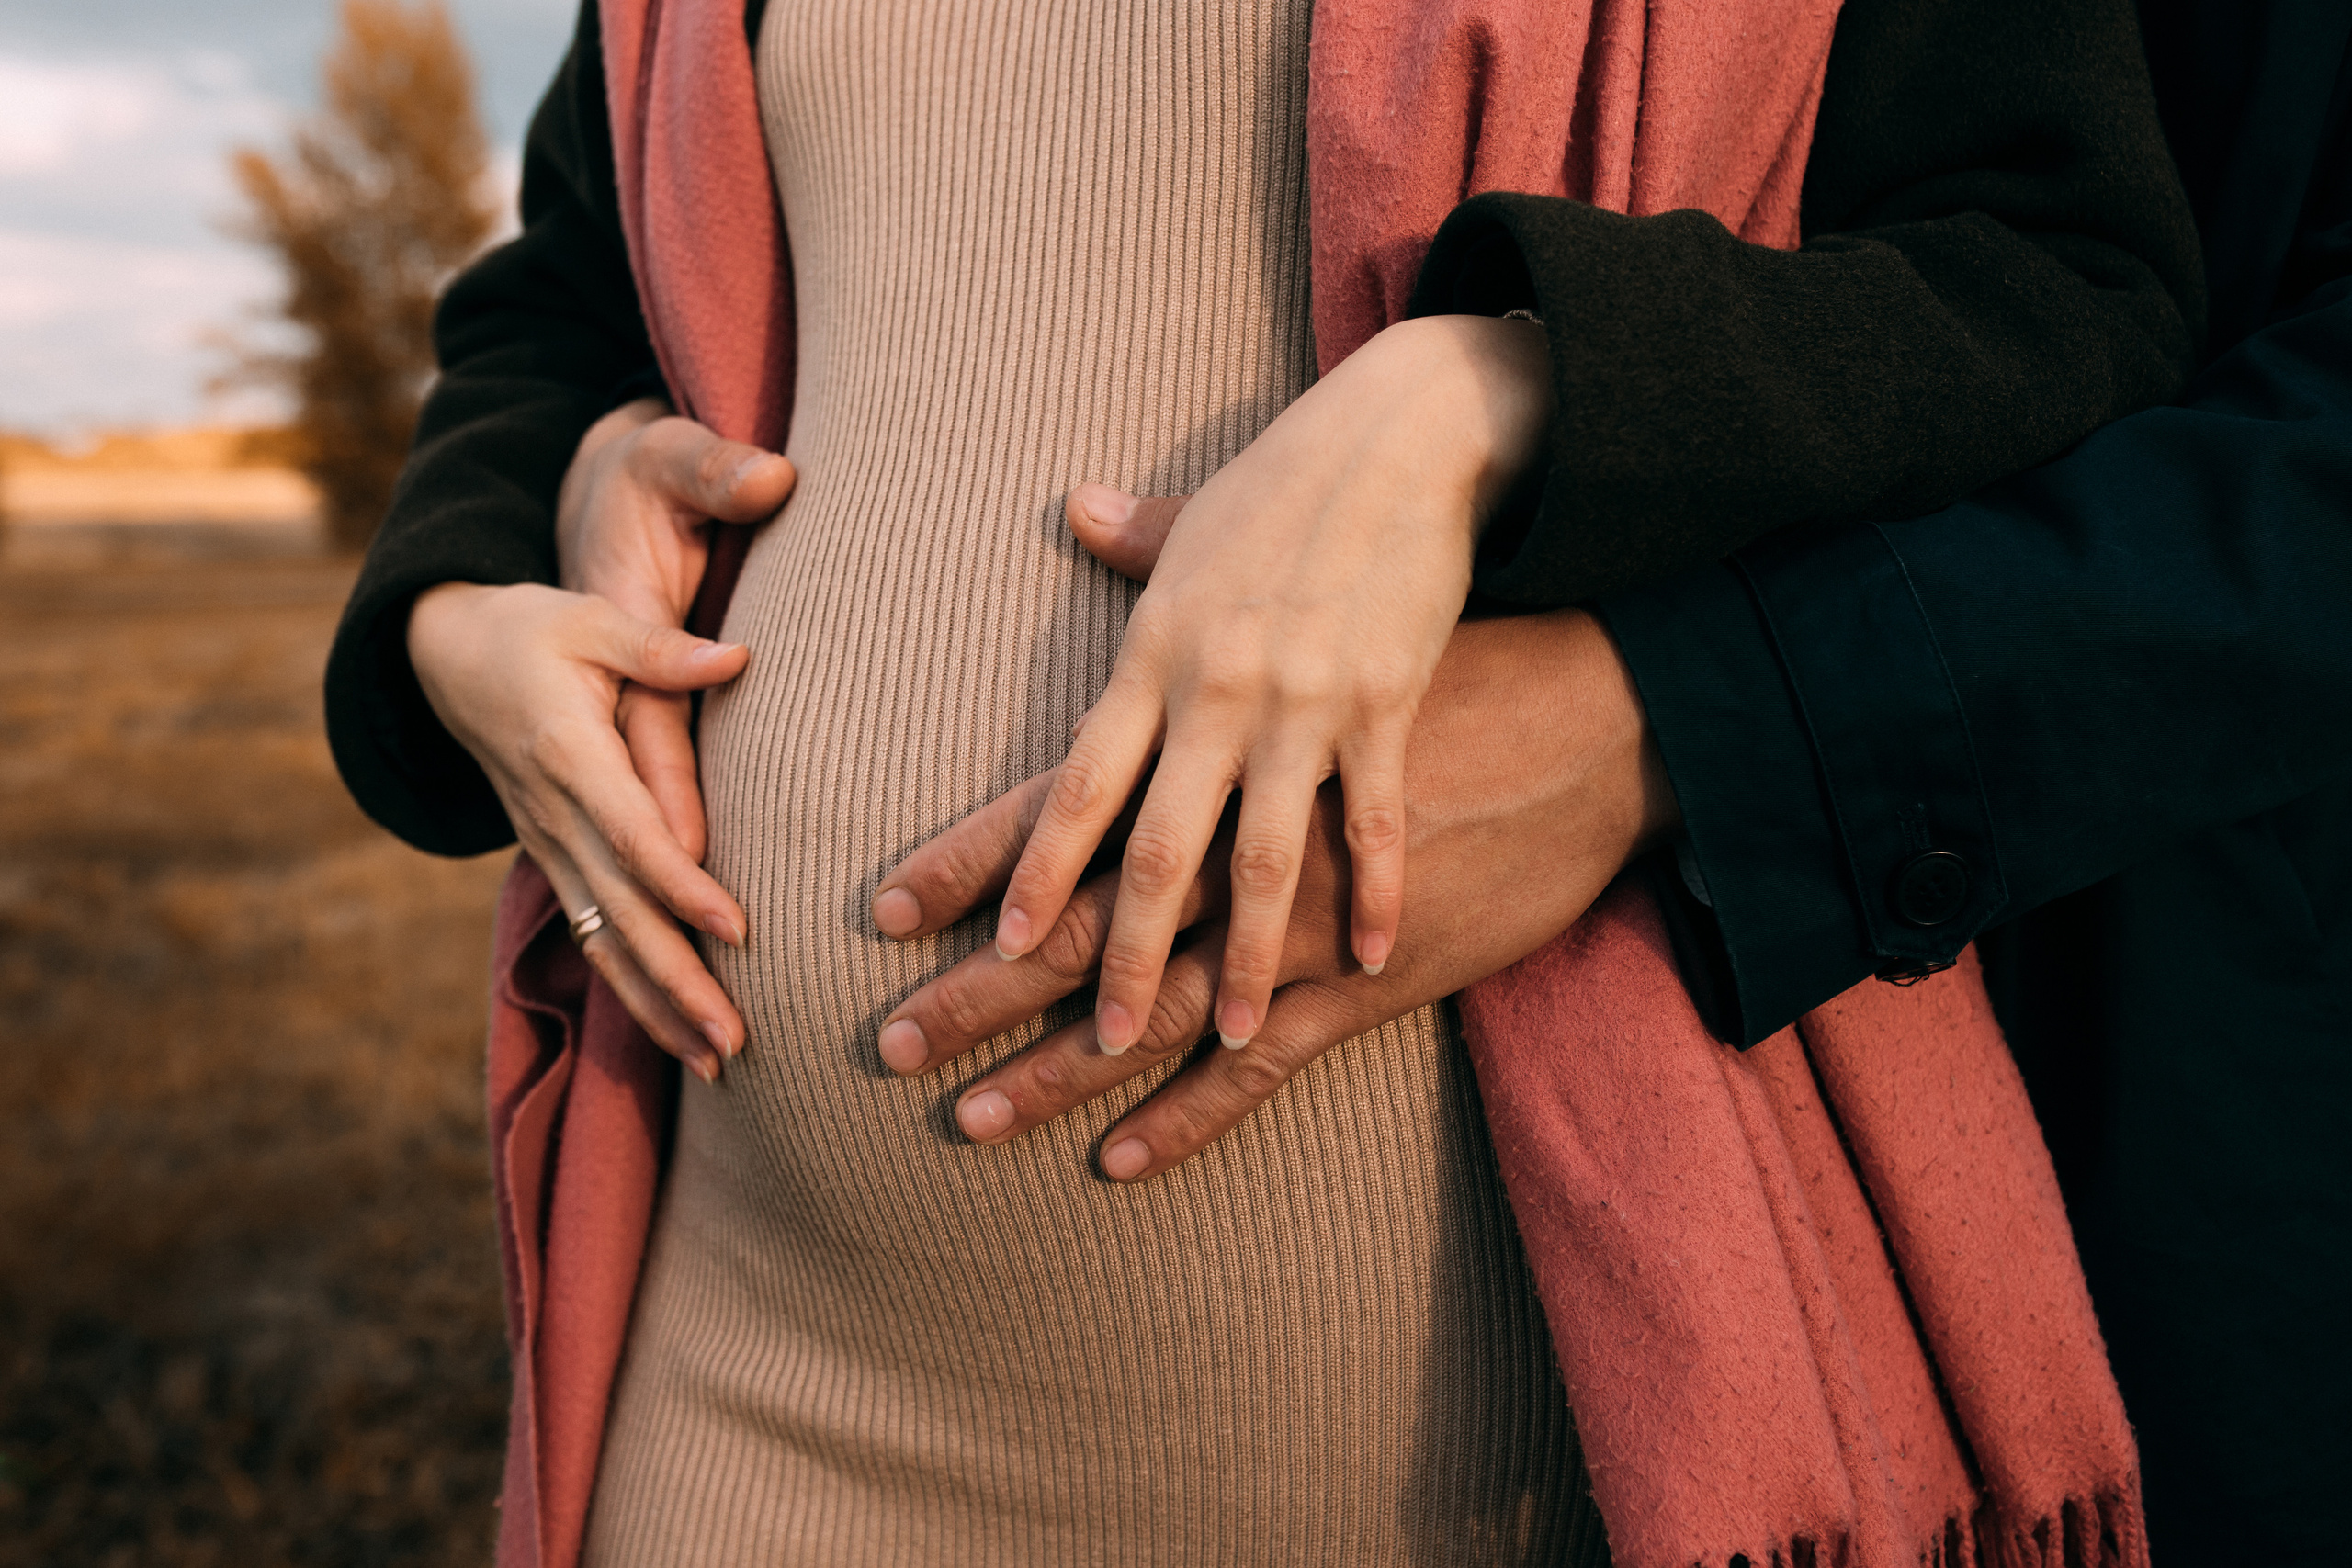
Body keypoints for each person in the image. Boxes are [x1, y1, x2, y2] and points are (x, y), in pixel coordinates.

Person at [326, 0, 2205, 1562]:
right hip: (751, 1378)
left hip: (1491, 1448)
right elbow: (561, 304)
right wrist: (467, 595)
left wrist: (1512, 383)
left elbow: (2066, 284)